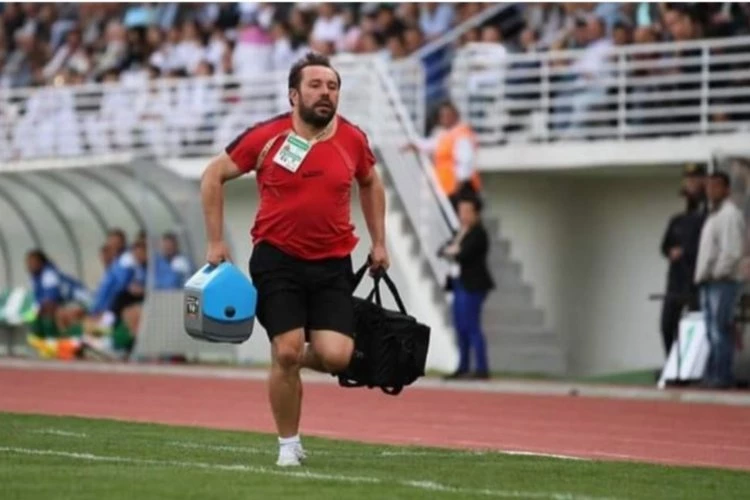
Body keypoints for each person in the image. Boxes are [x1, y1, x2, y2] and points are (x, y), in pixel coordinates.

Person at [199, 52, 388, 467]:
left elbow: (371, 183)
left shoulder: (353, 139)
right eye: (315, 86)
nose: (325, 93)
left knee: (337, 357)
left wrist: (380, 242)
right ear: (293, 95)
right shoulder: (267, 137)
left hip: (333, 263)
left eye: (332, 87)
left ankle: (285, 355)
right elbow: (213, 175)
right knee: (287, 351)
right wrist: (215, 241)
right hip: (277, 260)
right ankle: (289, 445)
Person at [695, 171, 746, 389]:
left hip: (722, 281)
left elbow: (732, 251)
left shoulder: (730, 215)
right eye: (708, 186)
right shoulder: (713, 215)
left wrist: (717, 273)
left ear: (727, 189)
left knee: (719, 330)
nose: (711, 190)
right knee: (710, 331)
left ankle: (722, 377)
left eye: (716, 186)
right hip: (709, 281)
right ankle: (713, 374)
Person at [438, 194, 494, 380]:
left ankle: (481, 368)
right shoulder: (460, 233)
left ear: (476, 213)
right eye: (460, 211)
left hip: (473, 285)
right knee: (460, 325)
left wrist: (454, 251)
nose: (462, 215)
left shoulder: (478, 234)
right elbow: (443, 250)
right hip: (458, 283)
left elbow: (463, 254)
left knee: (472, 325)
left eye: (466, 211)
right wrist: (453, 250)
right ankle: (463, 366)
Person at [658, 164, 707, 358]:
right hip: (676, 281)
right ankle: (673, 363)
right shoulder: (677, 220)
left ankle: (695, 366)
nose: (690, 184)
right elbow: (664, 246)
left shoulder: (708, 219)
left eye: (694, 180)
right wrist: (671, 252)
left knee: (698, 327)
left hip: (697, 281)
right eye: (688, 180)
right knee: (667, 325)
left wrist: (685, 252)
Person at [401, 101, 482, 209]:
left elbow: (466, 160)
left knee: (461, 215)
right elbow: (430, 144)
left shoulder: (461, 134)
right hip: (447, 188)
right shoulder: (444, 134)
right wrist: (414, 145)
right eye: (442, 116)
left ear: (455, 115)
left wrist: (460, 183)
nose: (445, 119)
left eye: (448, 115)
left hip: (460, 187)